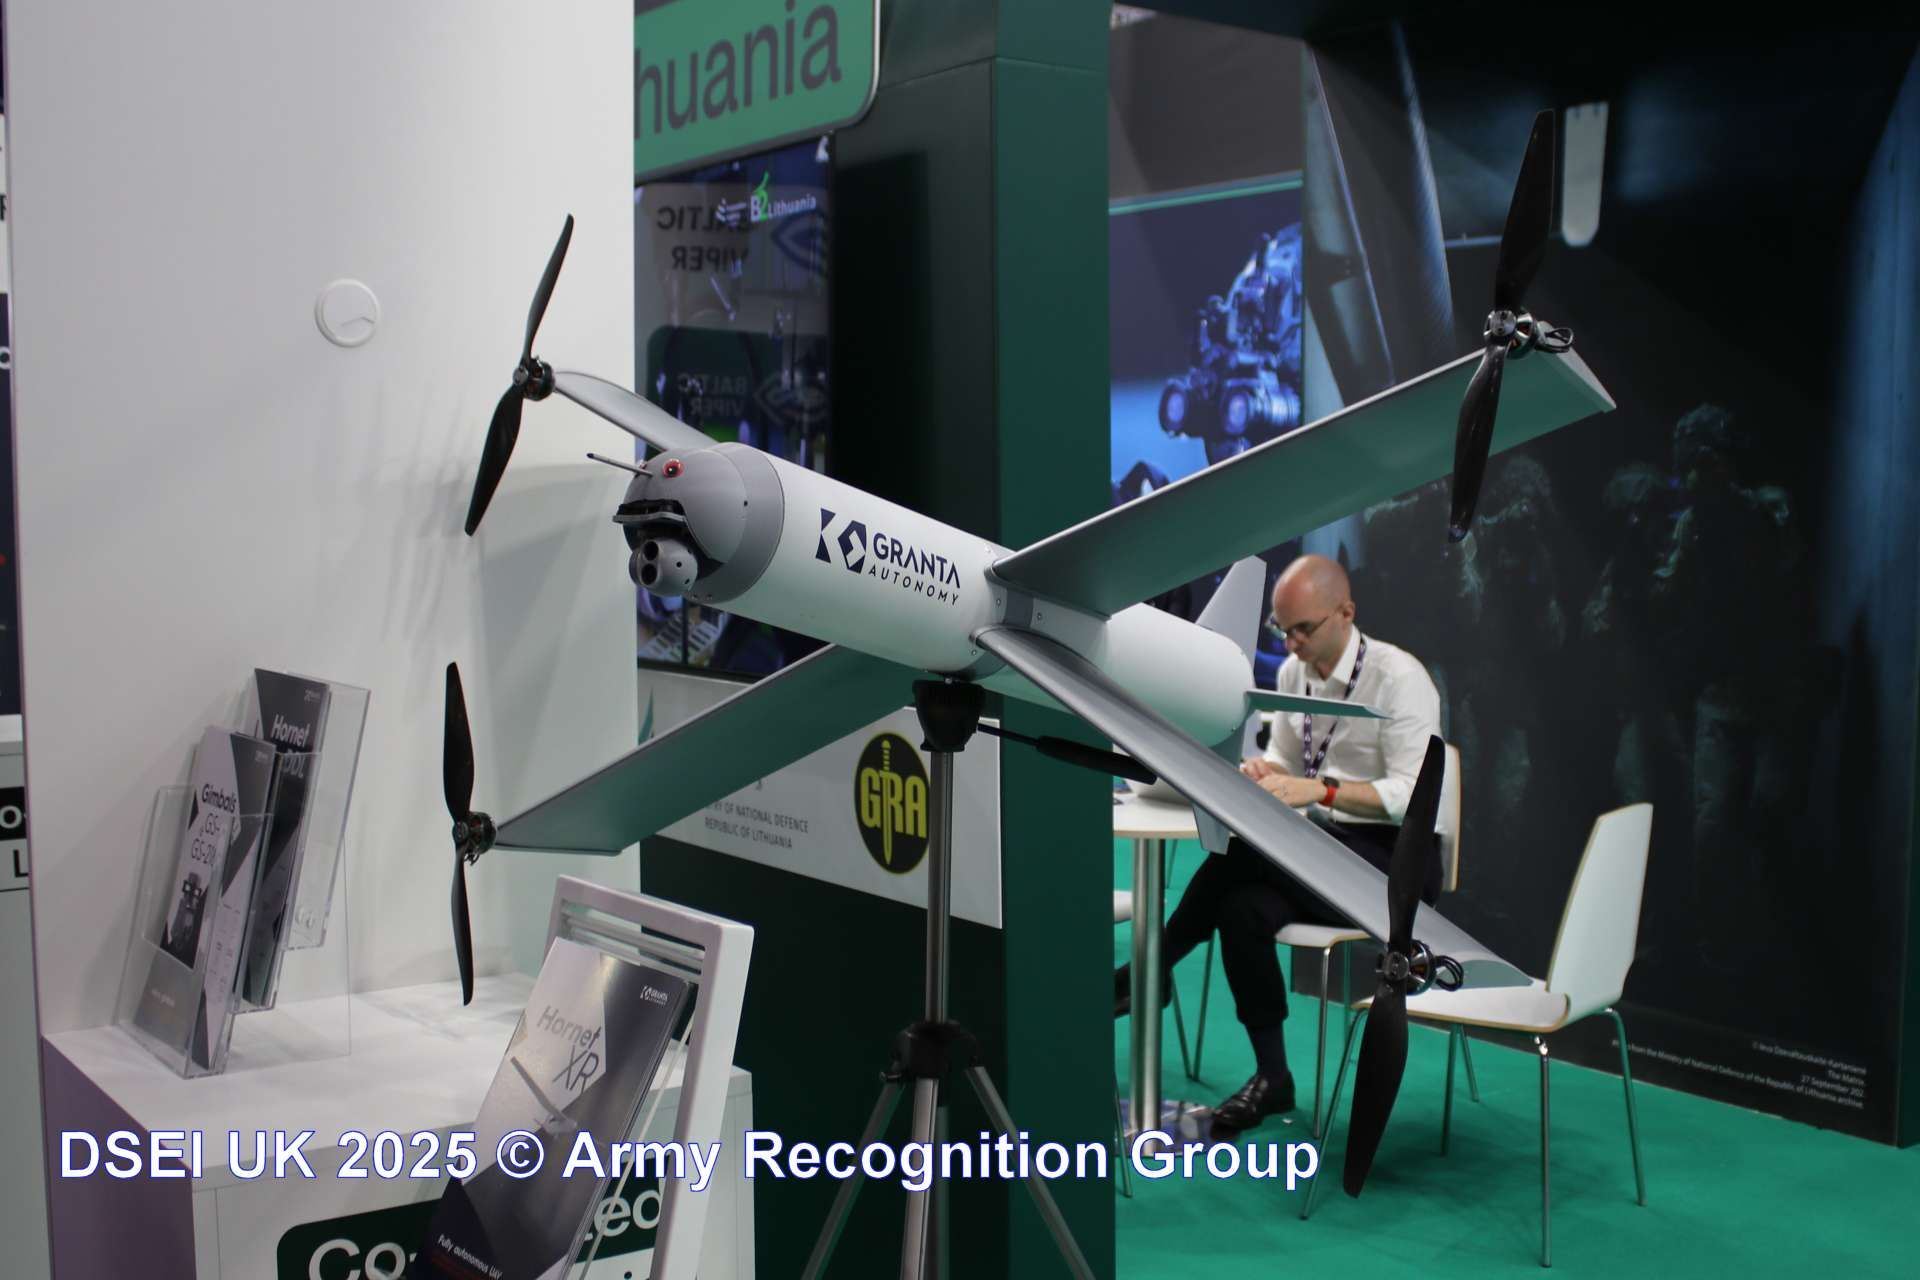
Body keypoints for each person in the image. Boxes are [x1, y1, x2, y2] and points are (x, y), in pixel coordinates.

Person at [1114, 554, 1443, 1131]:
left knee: (1242, 857)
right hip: (1319, 854)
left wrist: (1321, 789)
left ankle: (1147, 972)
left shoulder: (1400, 678)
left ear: (1346, 613)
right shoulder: (1295, 673)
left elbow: (1413, 796)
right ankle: (1274, 1078)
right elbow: (1286, 762)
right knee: (1241, 908)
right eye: (1282, 629)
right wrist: (1265, 773)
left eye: (1303, 629)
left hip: (1394, 867)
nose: (1290, 644)